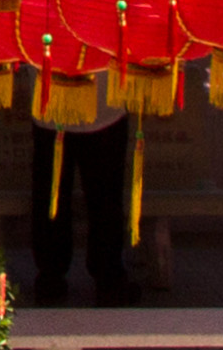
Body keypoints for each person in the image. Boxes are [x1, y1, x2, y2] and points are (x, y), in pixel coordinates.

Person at [21, 115, 138, 304]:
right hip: (63, 107)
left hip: (79, 109)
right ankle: (102, 277)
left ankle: (56, 277)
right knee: (98, 194)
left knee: (63, 194)